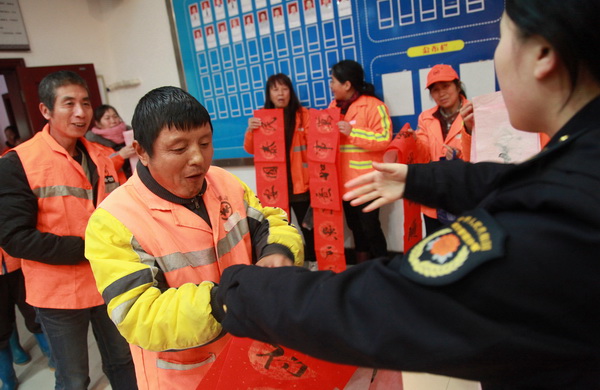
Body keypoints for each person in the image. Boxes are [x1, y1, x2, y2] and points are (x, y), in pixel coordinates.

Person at [211, 0, 600, 388]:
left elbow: (384, 306)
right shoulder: (580, 152)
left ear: (543, 54)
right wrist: (419, 179)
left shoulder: (560, 215)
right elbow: (517, 180)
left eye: (503, 39)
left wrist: (245, 291)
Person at [85, 86, 303, 390]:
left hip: (252, 356)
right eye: (179, 149)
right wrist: (222, 302)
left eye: (205, 142)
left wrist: (277, 250)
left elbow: (270, 221)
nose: (198, 158)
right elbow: (138, 315)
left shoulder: (224, 182)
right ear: (142, 152)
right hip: (186, 376)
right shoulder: (113, 220)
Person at [0, 70, 137, 390]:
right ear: (46, 111)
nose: (80, 112)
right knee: (74, 377)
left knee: (123, 363)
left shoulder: (103, 156)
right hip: (59, 293)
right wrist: (88, 247)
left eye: (86, 103)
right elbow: (15, 238)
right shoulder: (19, 162)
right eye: (69, 103)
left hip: (108, 282)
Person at [244, 73, 316, 266]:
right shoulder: (262, 117)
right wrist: (251, 130)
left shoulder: (304, 115)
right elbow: (251, 149)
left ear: (290, 92)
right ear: (269, 93)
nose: (281, 93)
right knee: (280, 229)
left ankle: (313, 264)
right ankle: (288, 266)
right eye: (275, 89)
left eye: (284, 89)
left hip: (301, 184)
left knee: (309, 228)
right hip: (275, 185)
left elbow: (316, 145)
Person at [329, 59, 392, 262]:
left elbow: (384, 139)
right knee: (355, 228)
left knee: (371, 227)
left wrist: (353, 132)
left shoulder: (374, 106)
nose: (331, 86)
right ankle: (362, 268)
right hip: (343, 183)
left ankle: (384, 267)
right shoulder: (332, 108)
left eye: (333, 81)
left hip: (367, 182)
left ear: (347, 84)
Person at [414, 64, 473, 233]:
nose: (441, 93)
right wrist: (413, 141)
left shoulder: (473, 111)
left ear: (457, 85)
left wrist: (459, 155)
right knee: (436, 248)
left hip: (462, 192)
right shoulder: (425, 118)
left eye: (446, 86)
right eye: (435, 89)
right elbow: (424, 155)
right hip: (434, 193)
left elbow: (483, 154)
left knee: (464, 246)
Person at [1, 248, 52, 390]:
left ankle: (52, 357)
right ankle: (8, 378)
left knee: (33, 312)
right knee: (1, 326)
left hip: (18, 260)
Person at [86, 104, 136, 183]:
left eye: (115, 116)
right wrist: (120, 156)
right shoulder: (93, 143)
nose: (113, 121)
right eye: (107, 118)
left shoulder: (131, 134)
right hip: (118, 188)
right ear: (98, 123)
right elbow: (100, 169)